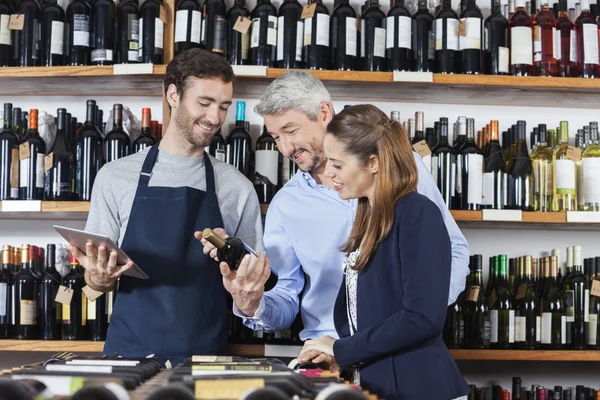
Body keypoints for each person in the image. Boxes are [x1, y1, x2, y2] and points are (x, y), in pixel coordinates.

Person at [201, 71, 469, 343]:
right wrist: (252, 303)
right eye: (275, 137)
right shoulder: (286, 205)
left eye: (290, 131)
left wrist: (417, 316)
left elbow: (453, 251)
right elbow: (285, 293)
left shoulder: (399, 166)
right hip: (328, 353)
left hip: (406, 349)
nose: (285, 148)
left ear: (324, 113)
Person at [70, 48, 265, 365]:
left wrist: (244, 281)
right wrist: (99, 280)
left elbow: (252, 286)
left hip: (207, 362)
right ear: (173, 94)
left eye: (223, 106)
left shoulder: (237, 188)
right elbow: (94, 281)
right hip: (129, 357)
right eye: (204, 103)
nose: (215, 117)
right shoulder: (115, 177)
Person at [298, 104, 470, 400]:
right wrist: (344, 357)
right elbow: (374, 315)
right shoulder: (369, 218)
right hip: (380, 387)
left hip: (420, 389)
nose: (329, 173)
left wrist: (342, 348)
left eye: (338, 164)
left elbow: (423, 317)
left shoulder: (417, 212)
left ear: (373, 163)